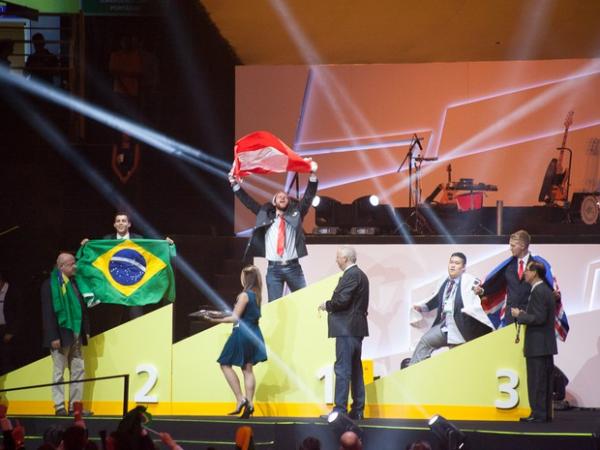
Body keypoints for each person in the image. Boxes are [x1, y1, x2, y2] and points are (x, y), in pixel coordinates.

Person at [229, 164, 318, 302]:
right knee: (274, 306)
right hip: (273, 270)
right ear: (274, 202)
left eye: (285, 197)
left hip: (293, 268)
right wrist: (234, 184)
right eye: (279, 197)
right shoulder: (265, 214)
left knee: (304, 301)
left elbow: (307, 198)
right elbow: (248, 202)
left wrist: (312, 176)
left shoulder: (296, 214)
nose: (283, 198)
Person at [80, 212, 173, 324]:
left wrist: (165, 244)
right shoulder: (107, 240)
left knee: (137, 322)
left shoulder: (139, 239)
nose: (120, 223)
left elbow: (151, 254)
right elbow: (96, 256)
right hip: (114, 290)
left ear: (129, 224)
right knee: (114, 323)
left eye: (123, 221)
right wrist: (87, 245)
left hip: (135, 289)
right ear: (114, 224)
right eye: (118, 221)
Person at [202, 266, 267, 419]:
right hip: (254, 333)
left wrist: (213, 319)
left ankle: (240, 399)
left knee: (225, 363)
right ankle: (249, 405)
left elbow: (234, 318)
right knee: (247, 369)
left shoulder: (244, 295)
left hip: (242, 333)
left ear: (246, 278)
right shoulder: (257, 295)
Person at [410, 252, 493, 365]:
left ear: (463, 268)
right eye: (451, 262)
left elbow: (480, 291)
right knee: (425, 342)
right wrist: (423, 307)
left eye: (457, 263)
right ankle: (414, 373)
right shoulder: (445, 280)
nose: (452, 265)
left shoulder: (470, 281)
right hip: (445, 327)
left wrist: (480, 292)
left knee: (459, 361)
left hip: (461, 328)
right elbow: (436, 298)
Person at [319, 246, 369, 420]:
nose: (336, 260)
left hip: (346, 328)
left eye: (338, 257)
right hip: (354, 328)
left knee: (342, 369)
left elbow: (342, 301)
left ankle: (340, 410)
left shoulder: (352, 275)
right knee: (355, 369)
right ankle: (357, 409)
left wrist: (327, 305)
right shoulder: (359, 275)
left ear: (346, 259)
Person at [41, 252, 91, 416]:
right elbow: (48, 313)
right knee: (59, 372)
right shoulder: (50, 285)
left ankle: (75, 407)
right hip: (61, 335)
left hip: (76, 332)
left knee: (78, 370)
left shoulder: (75, 283)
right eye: (71, 264)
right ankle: (59, 406)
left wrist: (86, 331)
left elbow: (82, 308)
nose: (75, 266)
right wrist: (52, 336)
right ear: (61, 266)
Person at [474, 230, 558, 326]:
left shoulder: (537, 265)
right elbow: (497, 284)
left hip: (530, 316)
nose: (510, 248)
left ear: (522, 246)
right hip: (510, 317)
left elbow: (546, 286)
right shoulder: (509, 266)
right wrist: (482, 291)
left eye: (513, 246)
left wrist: (553, 296)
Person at [511, 260, 557, 423]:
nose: (524, 274)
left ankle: (538, 414)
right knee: (541, 381)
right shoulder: (544, 290)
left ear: (534, 273)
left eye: (527, 271)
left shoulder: (539, 291)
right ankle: (541, 413)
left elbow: (539, 318)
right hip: (543, 344)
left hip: (538, 345)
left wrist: (520, 315)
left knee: (537, 381)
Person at [0, 272, 22, 374]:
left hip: (10, 330)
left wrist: (11, 331)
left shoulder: (13, 291)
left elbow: (20, 314)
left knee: (11, 357)